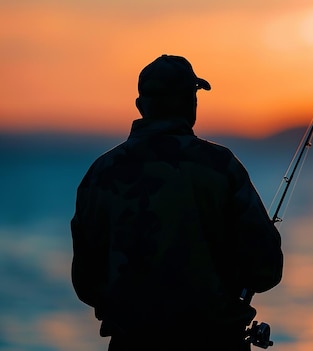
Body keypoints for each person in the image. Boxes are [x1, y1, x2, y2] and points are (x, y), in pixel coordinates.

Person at [70, 55, 284, 351]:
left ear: (141, 106)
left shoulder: (101, 173)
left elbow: (86, 282)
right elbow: (265, 270)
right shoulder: (220, 166)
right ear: (191, 103)